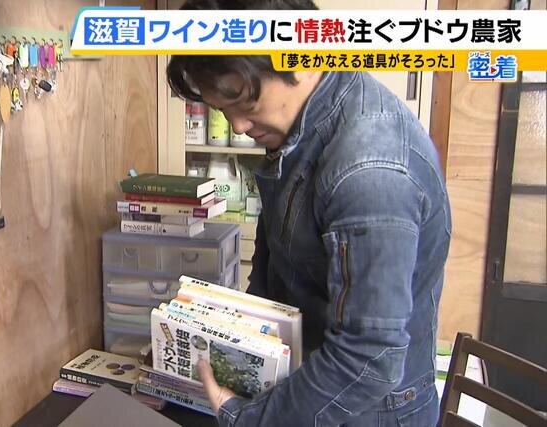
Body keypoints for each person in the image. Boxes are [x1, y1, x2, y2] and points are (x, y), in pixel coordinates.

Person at [166, 1, 452, 426]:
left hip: (366, 412)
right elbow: (274, 267)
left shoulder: (370, 169)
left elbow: (368, 358)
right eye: (223, 110)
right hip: (307, 380)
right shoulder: (305, 123)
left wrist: (248, 419)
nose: (238, 126)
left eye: (243, 102)